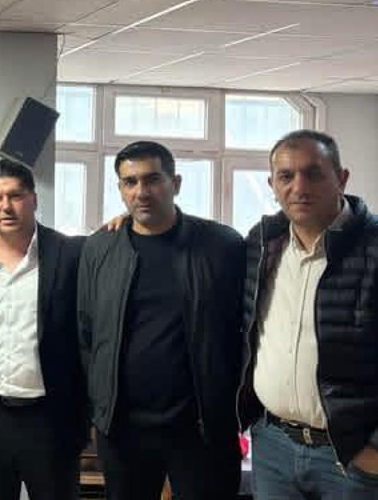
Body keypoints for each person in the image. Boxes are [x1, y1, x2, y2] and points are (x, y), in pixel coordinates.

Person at [240, 130, 378, 498]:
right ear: (272, 185)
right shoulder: (262, 244)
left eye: (314, 173)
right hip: (273, 447)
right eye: (286, 176)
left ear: (341, 179)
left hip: (357, 459)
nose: (299, 187)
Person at [77, 141, 246, 500]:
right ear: (120, 188)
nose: (141, 192)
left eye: (152, 179)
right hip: (123, 429)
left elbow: (245, 329)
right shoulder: (100, 248)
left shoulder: (222, 246)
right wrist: (98, 407)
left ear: (176, 183)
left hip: (200, 429)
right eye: (130, 182)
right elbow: (86, 333)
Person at [0, 159, 88, 500]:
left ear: (34, 199)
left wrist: (125, 220)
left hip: (50, 417)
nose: (6, 206)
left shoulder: (72, 253)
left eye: (16, 195)